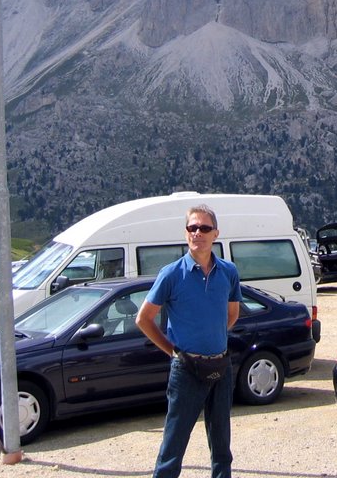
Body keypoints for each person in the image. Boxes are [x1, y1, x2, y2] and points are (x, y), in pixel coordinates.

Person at [136, 205, 242, 478]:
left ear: (216, 233)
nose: (198, 233)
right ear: (186, 234)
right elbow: (143, 319)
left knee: (222, 448)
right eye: (192, 228)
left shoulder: (228, 272)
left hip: (221, 366)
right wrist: (173, 351)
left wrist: (214, 334)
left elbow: (232, 313)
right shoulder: (171, 274)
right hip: (186, 371)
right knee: (173, 447)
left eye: (204, 228)